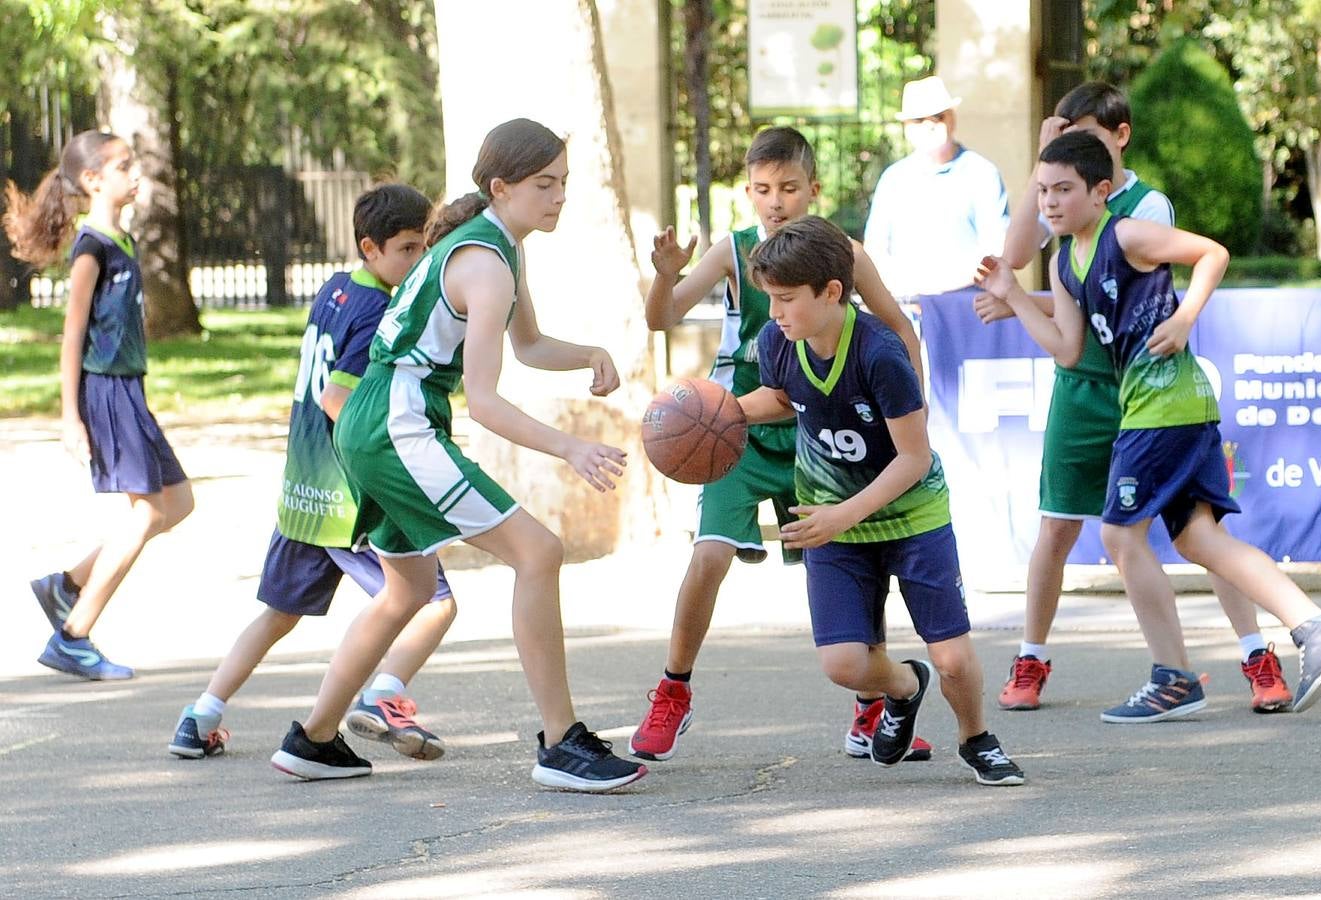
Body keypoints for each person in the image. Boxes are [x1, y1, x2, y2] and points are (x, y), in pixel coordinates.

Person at [269, 118, 646, 791]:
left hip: (376, 419)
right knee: (540, 552)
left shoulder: (498, 248)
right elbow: (486, 401)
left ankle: (314, 738)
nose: (560, 196)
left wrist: (589, 353)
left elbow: (528, 346)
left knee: (408, 588)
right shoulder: (486, 262)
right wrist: (570, 447)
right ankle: (562, 743)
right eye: (544, 184)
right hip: (396, 424)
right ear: (501, 187)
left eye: (564, 182)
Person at [975, 131, 1321, 723]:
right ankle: (1313, 624)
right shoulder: (1062, 262)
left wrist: (1184, 318)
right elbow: (1070, 351)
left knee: (1119, 536)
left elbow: (1213, 253)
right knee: (1198, 539)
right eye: (1043, 190)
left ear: (1101, 192)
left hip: (1165, 405)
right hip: (1160, 407)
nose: (1049, 202)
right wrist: (1014, 296)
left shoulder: (1126, 234)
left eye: (1063, 190)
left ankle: (1174, 678)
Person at [633, 127, 928, 764]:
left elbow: (900, 328)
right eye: (763, 190)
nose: (775, 202)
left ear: (813, 190)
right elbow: (662, 317)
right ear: (748, 193)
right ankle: (673, 690)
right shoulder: (734, 251)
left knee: (853, 564)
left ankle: (870, 705)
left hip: (819, 437)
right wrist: (664, 277)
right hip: (732, 430)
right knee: (707, 559)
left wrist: (912, 413)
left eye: (789, 188)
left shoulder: (845, 257)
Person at [169, 184, 459, 761]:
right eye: (407, 249)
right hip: (348, 494)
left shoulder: (336, 289)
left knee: (279, 613)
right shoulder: (380, 308)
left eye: (423, 247)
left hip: (303, 487)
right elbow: (337, 398)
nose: (417, 260)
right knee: (433, 602)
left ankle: (201, 715)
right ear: (370, 248)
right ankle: (383, 696)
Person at [735, 215, 1023, 785]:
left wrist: (842, 514)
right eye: (769, 298)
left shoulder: (880, 353)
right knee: (842, 663)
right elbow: (780, 396)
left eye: (786, 299)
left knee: (955, 659)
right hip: (834, 519)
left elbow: (913, 458)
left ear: (832, 292)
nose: (774, 312)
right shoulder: (778, 341)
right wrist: (716, 412)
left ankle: (975, 738)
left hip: (909, 514)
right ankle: (904, 687)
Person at [5, 131, 194, 681]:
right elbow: (71, 336)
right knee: (149, 512)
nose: (135, 175)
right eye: (123, 166)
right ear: (93, 180)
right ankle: (73, 634)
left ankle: (65, 585)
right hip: (105, 391)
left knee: (177, 503)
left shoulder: (122, 240)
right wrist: (70, 416)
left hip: (129, 389)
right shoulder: (92, 248)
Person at [863, 75, 1009, 297]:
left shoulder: (982, 174)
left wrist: (936, 286)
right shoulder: (893, 180)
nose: (930, 126)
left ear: (953, 119)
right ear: (906, 127)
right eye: (919, 119)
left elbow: (996, 250)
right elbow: (875, 251)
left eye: (938, 117)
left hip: (969, 307)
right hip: (907, 306)